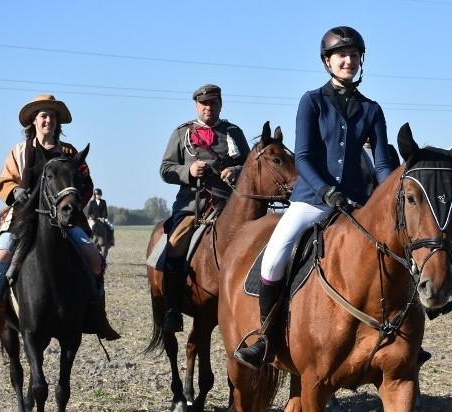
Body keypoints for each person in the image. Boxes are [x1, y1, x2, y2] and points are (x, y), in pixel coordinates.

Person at [234, 26, 394, 369]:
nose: (348, 61)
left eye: (354, 55)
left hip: (356, 204)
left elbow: (381, 164)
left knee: (394, 253)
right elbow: (303, 157)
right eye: (341, 56)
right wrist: (326, 191)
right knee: (274, 258)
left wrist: (387, 193)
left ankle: (398, 334)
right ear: (327, 62)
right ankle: (267, 337)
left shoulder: (372, 110)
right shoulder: (312, 101)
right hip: (312, 200)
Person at [0, 94, 120, 344]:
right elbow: (5, 181)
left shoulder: (69, 152)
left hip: (65, 222)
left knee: (95, 260)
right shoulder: (18, 152)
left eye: (53, 116)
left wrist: (72, 202)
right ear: (34, 121)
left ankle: (98, 314)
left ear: (58, 123)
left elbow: (86, 184)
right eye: (44, 116)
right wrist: (14, 191)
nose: (49, 120)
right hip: (23, 220)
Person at [158, 83, 250, 333]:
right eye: (204, 103)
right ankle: (172, 307)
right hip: (194, 205)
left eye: (213, 103)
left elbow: (252, 167)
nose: (209, 107)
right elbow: (165, 170)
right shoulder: (182, 134)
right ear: (196, 105)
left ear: (221, 105)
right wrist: (187, 170)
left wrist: (237, 171)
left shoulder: (234, 132)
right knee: (175, 245)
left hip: (230, 204)